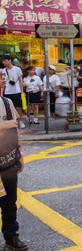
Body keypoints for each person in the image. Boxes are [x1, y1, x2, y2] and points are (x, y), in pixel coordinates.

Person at [0, 73, 28, 251]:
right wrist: (3, 126)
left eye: (2, 75)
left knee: (9, 202)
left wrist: (20, 153)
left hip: (7, 161)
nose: (3, 78)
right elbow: (8, 126)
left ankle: (11, 239)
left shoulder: (7, 102)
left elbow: (15, 129)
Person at [0, 56, 25, 129]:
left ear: (9, 60)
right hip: (7, 91)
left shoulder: (17, 69)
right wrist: (2, 93)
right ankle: (10, 122)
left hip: (16, 91)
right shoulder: (3, 70)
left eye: (4, 60)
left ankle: (19, 121)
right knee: (8, 107)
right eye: (2, 61)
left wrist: (22, 91)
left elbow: (20, 80)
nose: (3, 62)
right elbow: (2, 82)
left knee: (18, 107)